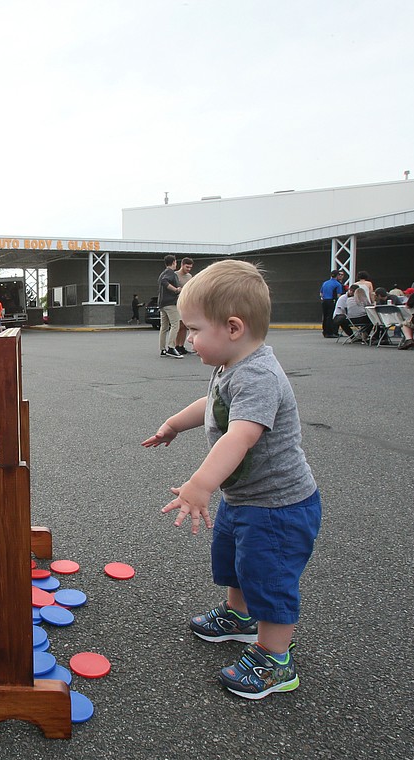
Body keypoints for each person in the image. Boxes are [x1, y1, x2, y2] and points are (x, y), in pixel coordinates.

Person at [142, 259, 320, 700]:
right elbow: (211, 404)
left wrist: (200, 484)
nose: (190, 339)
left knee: (269, 575)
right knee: (235, 559)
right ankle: (240, 618)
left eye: (195, 330)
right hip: (245, 498)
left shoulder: (258, 375)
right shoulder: (230, 366)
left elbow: (240, 436)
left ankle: (275, 659)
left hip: (278, 506)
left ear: (234, 327)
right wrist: (172, 424)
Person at [158, 255, 185, 358]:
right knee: (175, 325)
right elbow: (164, 282)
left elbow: (162, 281)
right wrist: (176, 290)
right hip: (170, 303)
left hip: (162, 303)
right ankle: (171, 347)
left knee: (164, 327)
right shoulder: (170, 273)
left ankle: (162, 349)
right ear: (174, 262)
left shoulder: (162, 273)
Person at [172, 257, 195, 354]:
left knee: (185, 326)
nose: (188, 269)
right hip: (176, 302)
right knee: (179, 325)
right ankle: (176, 346)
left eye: (190, 268)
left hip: (186, 303)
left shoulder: (189, 276)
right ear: (182, 265)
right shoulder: (175, 275)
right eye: (187, 267)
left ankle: (181, 346)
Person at [319, 270, 345, 338]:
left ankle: (325, 331)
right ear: (337, 276)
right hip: (332, 301)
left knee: (325, 316)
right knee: (330, 317)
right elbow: (338, 295)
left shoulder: (325, 283)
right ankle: (330, 332)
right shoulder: (337, 284)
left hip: (324, 301)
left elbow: (321, 293)